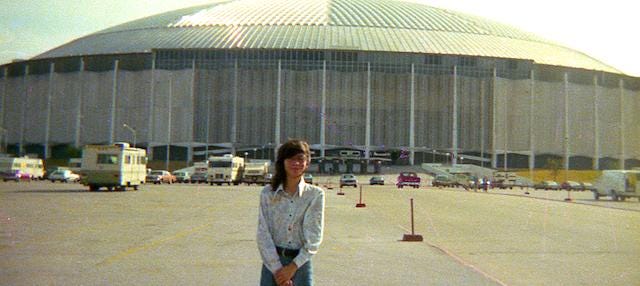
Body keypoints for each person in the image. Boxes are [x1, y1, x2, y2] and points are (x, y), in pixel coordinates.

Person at [257, 139, 325, 286]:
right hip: (272, 264)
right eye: (291, 159)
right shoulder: (268, 194)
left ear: (307, 162)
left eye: (300, 159)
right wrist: (278, 271)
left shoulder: (315, 195)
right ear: (282, 162)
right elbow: (263, 233)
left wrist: (292, 268)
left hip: (300, 264)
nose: (296, 163)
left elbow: (314, 236)